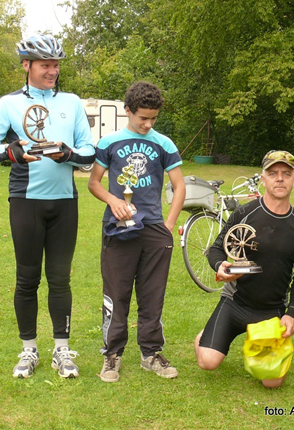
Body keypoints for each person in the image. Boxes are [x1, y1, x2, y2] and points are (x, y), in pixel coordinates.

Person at [0, 34, 95, 379]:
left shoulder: (71, 103)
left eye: (56, 65)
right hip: (26, 203)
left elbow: (89, 153)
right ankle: (28, 351)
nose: (52, 71)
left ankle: (61, 351)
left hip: (65, 204)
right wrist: (10, 152)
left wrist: (67, 154)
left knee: (60, 279)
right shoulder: (9, 104)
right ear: (26, 65)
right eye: (45, 65)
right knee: (27, 279)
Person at [88, 81, 185, 383]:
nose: (148, 124)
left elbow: (179, 186)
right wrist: (113, 199)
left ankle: (151, 354)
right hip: (118, 230)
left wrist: (168, 224)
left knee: (152, 295)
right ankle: (112, 356)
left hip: (154, 229)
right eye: (142, 117)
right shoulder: (109, 142)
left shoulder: (164, 143)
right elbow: (93, 182)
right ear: (127, 110)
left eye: (153, 118)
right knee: (116, 294)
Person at [194, 150, 294, 388]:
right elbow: (216, 249)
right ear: (263, 179)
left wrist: (291, 314)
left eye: (286, 174)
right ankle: (207, 338)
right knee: (207, 362)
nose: (280, 179)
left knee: (272, 383)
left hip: (270, 312)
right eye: (273, 173)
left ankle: (256, 344)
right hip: (235, 303)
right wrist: (220, 265)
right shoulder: (245, 213)